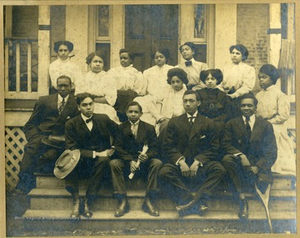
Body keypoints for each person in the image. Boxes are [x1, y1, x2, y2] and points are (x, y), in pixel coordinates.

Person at [158, 90, 226, 217]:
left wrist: (198, 161)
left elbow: (214, 148)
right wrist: (180, 161)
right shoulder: (174, 122)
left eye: (191, 101)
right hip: (180, 166)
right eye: (185, 101)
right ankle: (192, 200)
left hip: (199, 166)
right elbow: (167, 146)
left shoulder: (208, 123)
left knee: (219, 169)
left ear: (198, 103)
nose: (188, 104)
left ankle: (192, 203)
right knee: (164, 172)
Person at [16, 75, 79, 194]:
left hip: (60, 142)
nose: (63, 88)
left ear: (71, 87)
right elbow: (30, 125)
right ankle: (23, 184)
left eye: (66, 85)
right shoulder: (44, 101)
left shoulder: (75, 104)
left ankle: (32, 184)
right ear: (56, 86)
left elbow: (76, 128)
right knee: (31, 150)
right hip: (42, 138)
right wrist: (35, 138)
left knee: (50, 156)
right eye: (60, 85)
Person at [221, 93, 277, 220]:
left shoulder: (265, 125)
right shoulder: (231, 124)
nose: (246, 108)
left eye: (249, 105)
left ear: (255, 107)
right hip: (240, 167)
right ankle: (241, 198)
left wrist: (258, 166)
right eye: (243, 105)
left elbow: (271, 151)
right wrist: (240, 155)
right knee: (227, 159)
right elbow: (225, 144)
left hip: (257, 168)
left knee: (263, 184)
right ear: (239, 107)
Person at [63, 93, 118, 218]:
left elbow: (120, 133)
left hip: (100, 162)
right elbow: (71, 148)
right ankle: (76, 201)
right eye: (84, 105)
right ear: (78, 107)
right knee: (70, 159)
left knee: (104, 161)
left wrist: (113, 148)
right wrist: (94, 153)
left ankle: (88, 200)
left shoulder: (103, 118)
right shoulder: (71, 124)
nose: (88, 107)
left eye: (90, 104)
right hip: (82, 161)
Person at [110, 101, 163, 217]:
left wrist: (147, 155)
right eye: (130, 112)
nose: (133, 114)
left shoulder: (149, 128)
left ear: (141, 114)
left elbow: (155, 148)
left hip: (144, 163)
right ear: (126, 113)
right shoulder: (121, 128)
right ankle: (122, 200)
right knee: (114, 163)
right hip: (126, 162)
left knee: (157, 163)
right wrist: (130, 160)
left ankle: (149, 199)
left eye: (136, 112)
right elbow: (118, 147)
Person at [256, 64, 295, 175]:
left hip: (275, 126)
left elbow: (283, 116)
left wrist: (268, 123)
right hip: (261, 126)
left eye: (264, 77)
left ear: (272, 78)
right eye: (260, 77)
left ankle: (277, 171)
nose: (261, 80)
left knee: (275, 146)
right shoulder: (258, 95)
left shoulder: (279, 95)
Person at [76, 51, 120, 124]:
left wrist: (91, 97)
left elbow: (111, 99)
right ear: (89, 63)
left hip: (104, 107)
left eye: (100, 62)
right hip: (86, 107)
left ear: (103, 64)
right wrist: (97, 99)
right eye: (95, 61)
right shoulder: (82, 78)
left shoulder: (109, 78)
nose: (97, 64)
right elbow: (78, 96)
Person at [134, 49, 174, 126]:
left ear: (166, 58)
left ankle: (160, 120)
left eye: (161, 57)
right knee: (142, 100)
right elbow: (144, 89)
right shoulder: (148, 71)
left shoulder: (171, 69)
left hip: (167, 96)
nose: (159, 59)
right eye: (156, 57)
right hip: (152, 97)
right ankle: (158, 118)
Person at [108, 48, 146, 122]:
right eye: (121, 58)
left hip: (129, 97)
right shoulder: (113, 71)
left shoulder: (136, 73)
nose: (122, 60)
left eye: (125, 58)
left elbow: (138, 89)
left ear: (131, 60)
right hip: (116, 96)